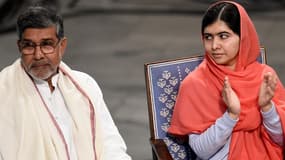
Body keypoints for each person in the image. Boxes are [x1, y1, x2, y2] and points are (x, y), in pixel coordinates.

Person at [0, 4, 131, 160]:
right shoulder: (4, 92)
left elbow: (111, 144)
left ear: (61, 46)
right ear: (19, 47)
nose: (38, 55)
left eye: (46, 44)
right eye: (29, 46)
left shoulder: (85, 86)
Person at [168, 1, 285, 160]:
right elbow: (202, 152)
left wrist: (267, 107)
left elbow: (280, 139)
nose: (215, 45)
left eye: (223, 36)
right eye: (208, 37)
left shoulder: (265, 76)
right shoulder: (194, 84)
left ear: (243, 37)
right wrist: (231, 115)